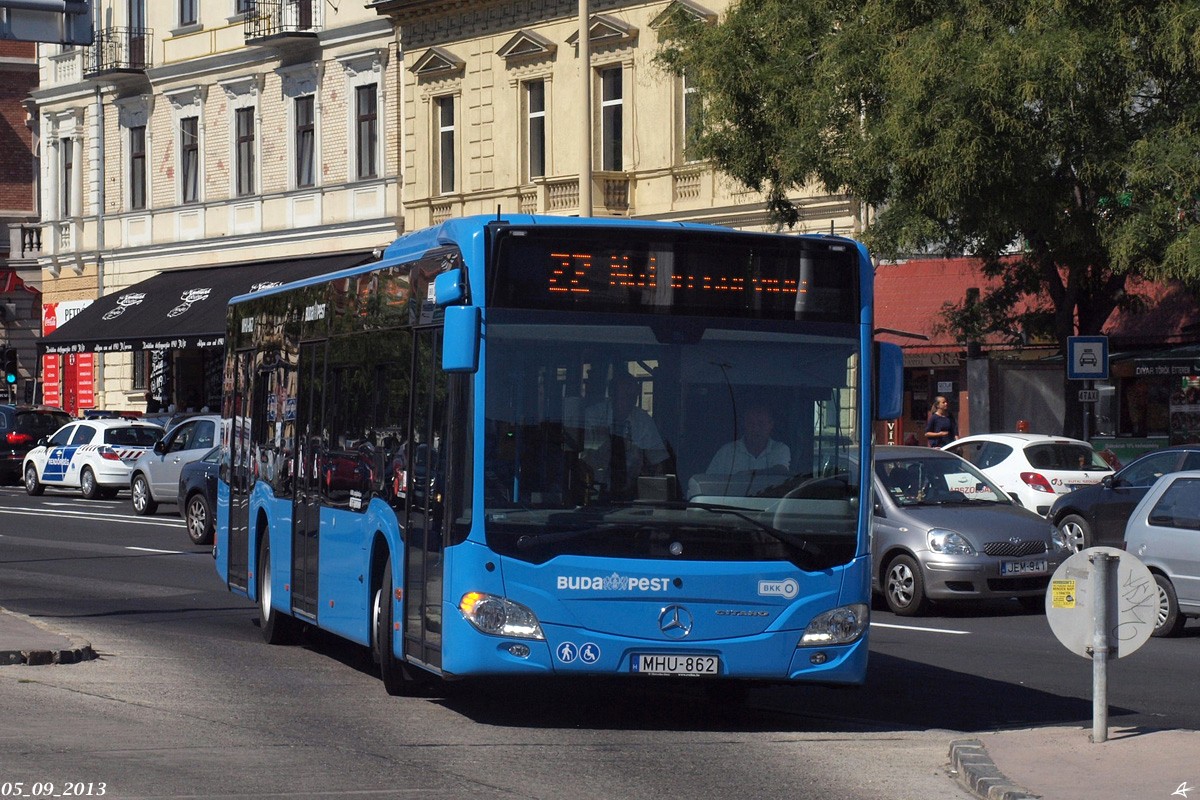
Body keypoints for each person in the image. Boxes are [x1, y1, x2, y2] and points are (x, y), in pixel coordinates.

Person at [583, 371, 669, 498]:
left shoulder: (643, 420)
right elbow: (586, 457)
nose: (631, 401)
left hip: (632, 492)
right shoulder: (593, 416)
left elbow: (658, 461)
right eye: (626, 395)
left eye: (634, 396)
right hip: (595, 489)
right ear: (612, 395)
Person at [706, 403, 790, 474]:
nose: (756, 429)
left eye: (761, 424)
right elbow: (708, 483)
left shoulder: (780, 449)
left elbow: (780, 472)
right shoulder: (726, 452)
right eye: (751, 423)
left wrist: (746, 475)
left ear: (771, 425)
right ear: (744, 424)